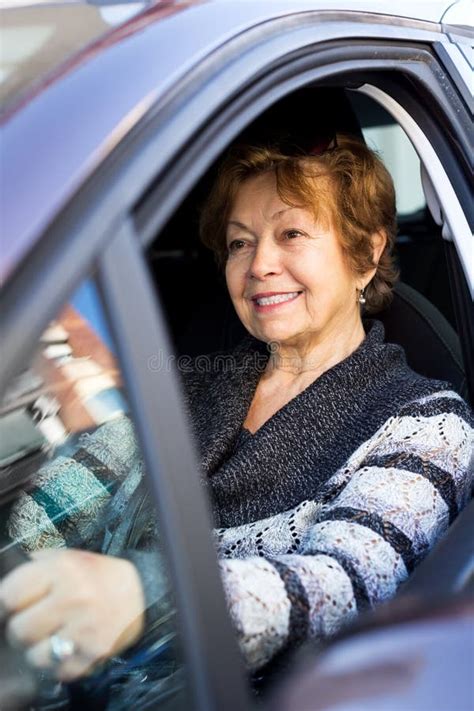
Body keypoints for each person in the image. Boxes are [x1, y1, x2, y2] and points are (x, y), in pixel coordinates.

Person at [0, 136, 472, 688]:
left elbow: (347, 584)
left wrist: (151, 594)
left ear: (365, 255)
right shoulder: (181, 384)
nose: (260, 265)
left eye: (291, 234)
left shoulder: (428, 424)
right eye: (240, 244)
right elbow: (55, 508)